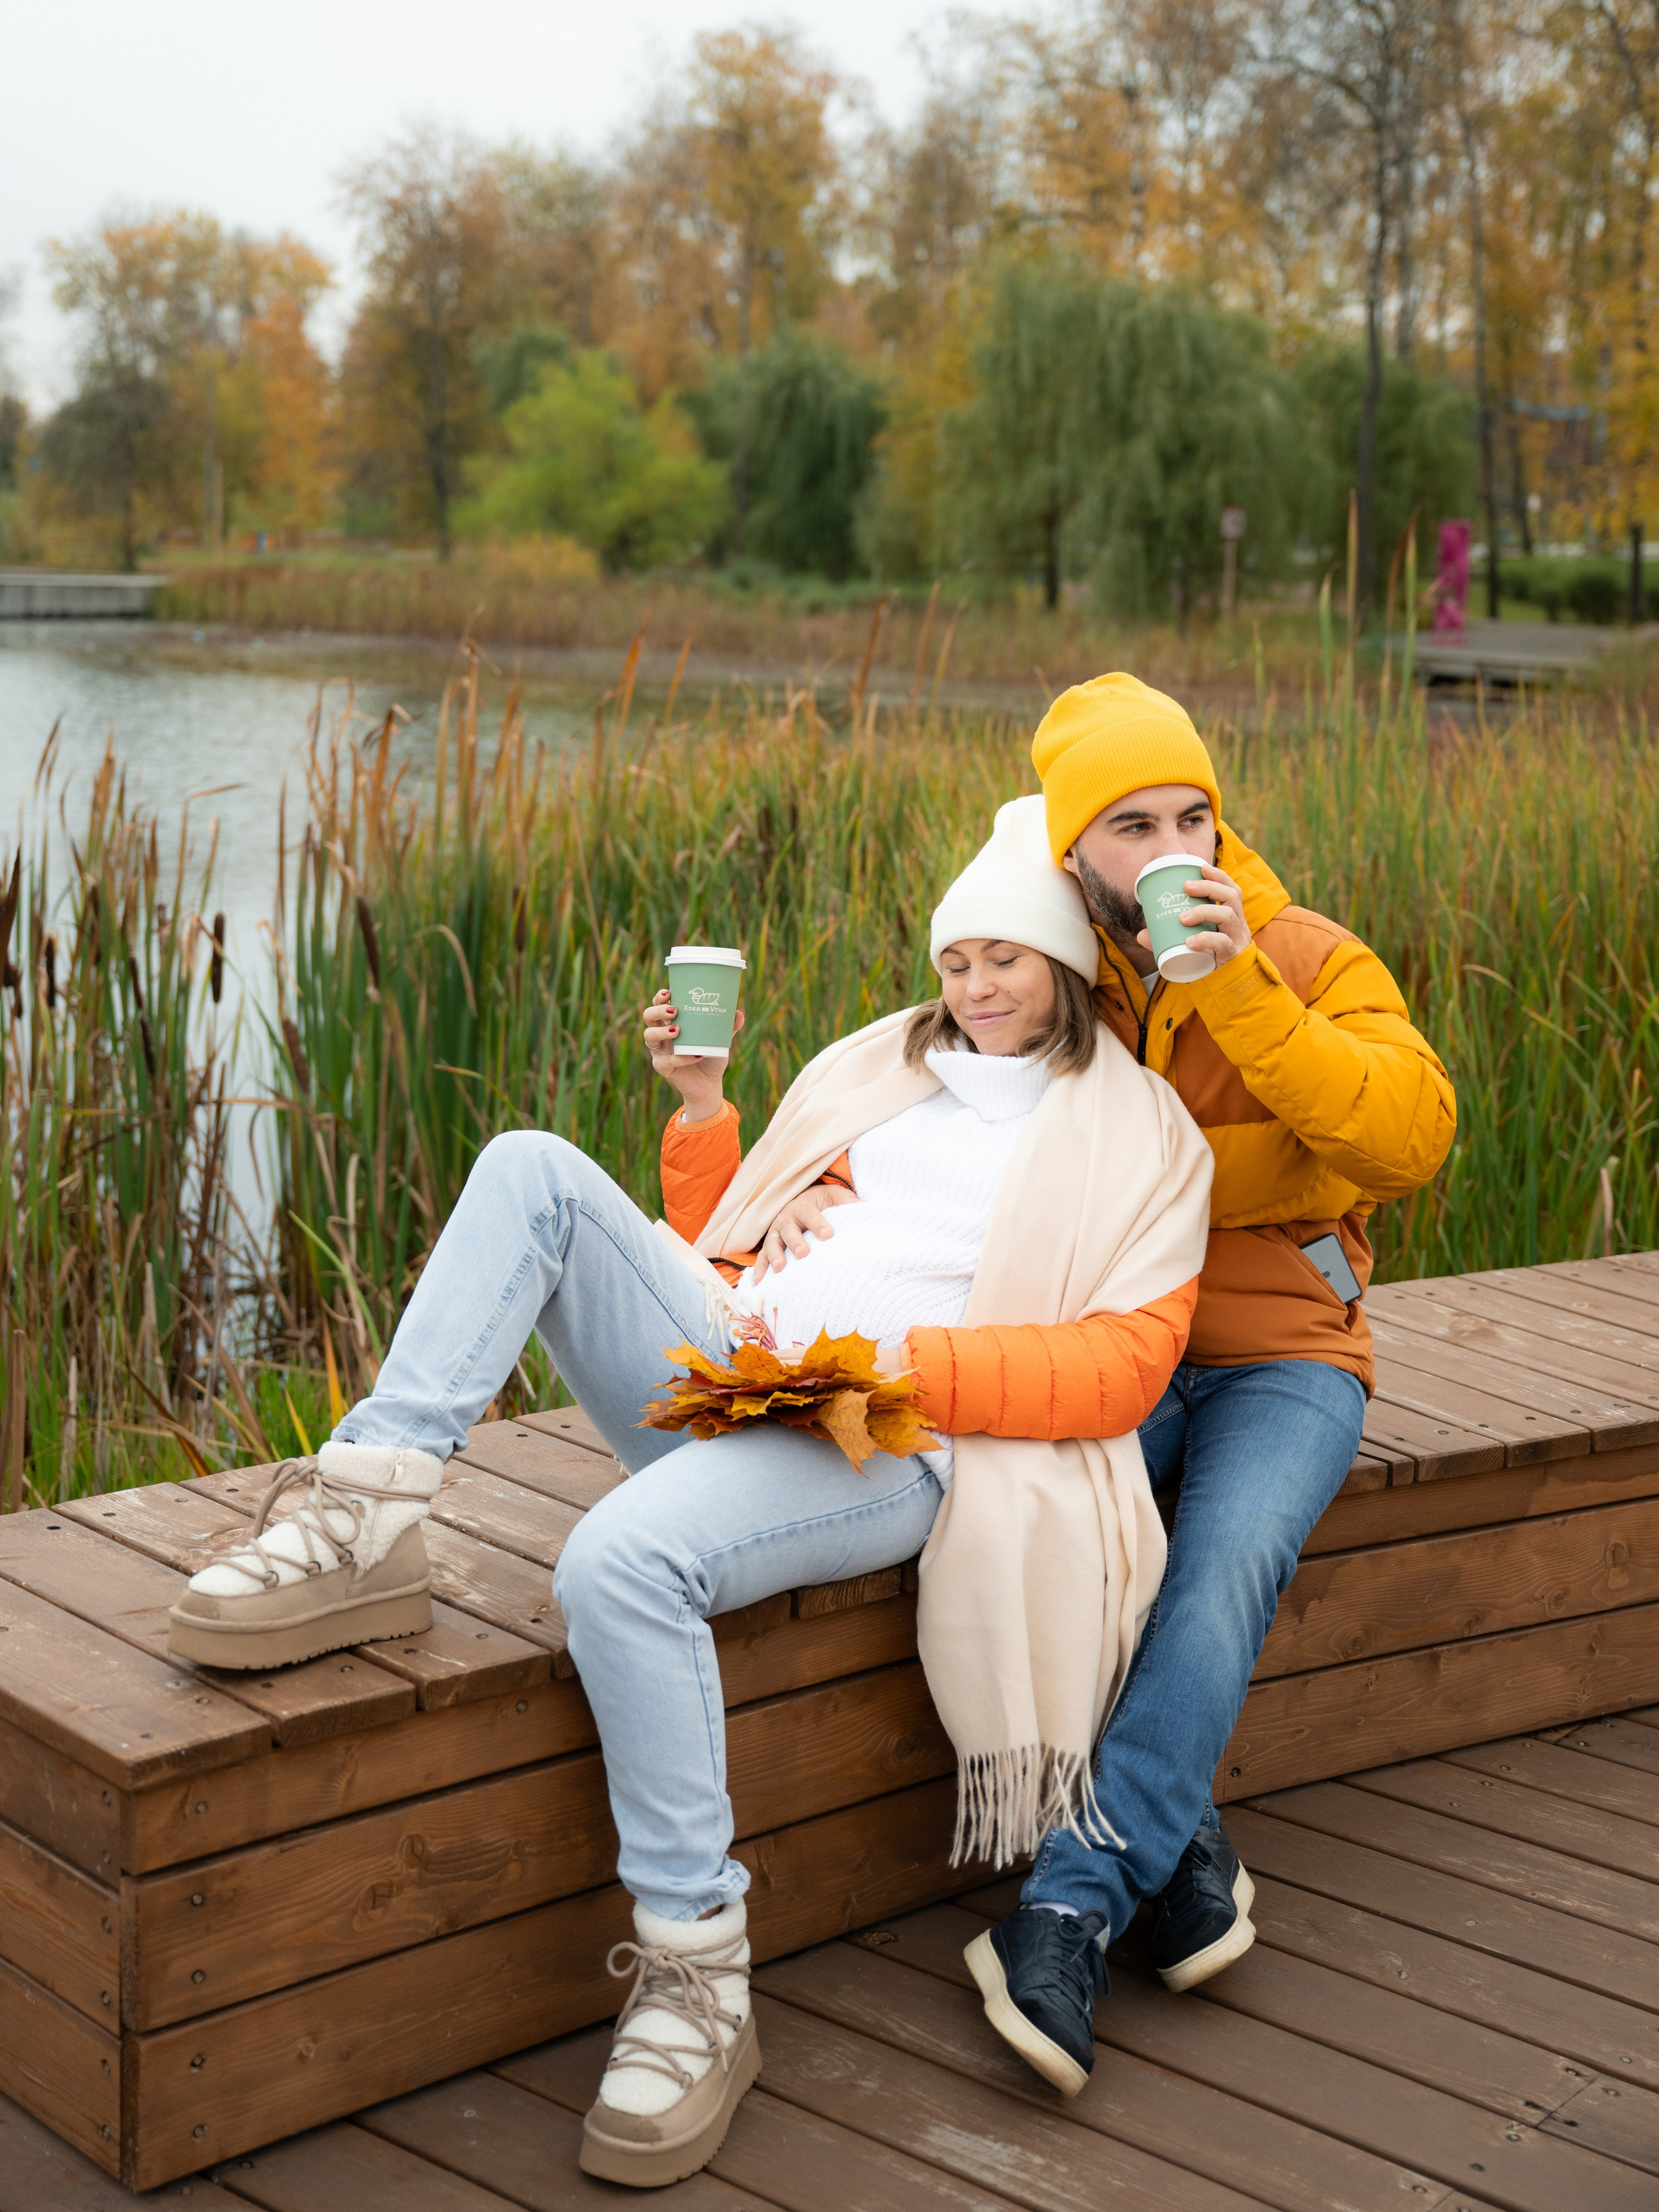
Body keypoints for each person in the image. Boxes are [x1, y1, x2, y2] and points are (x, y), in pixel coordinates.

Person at [165, 797, 1213, 2187]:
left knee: (616, 1564)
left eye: (1003, 959)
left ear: (1069, 963)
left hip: (884, 1438)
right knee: (531, 1166)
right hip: (741, 1372)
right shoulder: (880, 1071)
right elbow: (724, 1247)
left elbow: (1121, 1370)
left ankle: (695, 1976)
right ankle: (369, 1502)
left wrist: (897, 1362)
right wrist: (708, 1119)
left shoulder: (1134, 1130)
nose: (971, 987)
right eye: (953, 959)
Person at [767, 673, 1457, 2100]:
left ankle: (1072, 1896)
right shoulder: (1056, 967)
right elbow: (926, 1105)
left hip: (1281, 1356)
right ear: (1071, 849)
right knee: (1020, 1512)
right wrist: (789, 1188)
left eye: (1190, 815)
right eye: (1128, 824)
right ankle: (1183, 1858)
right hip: (1106, 1344)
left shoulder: (1304, 954)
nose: (1166, 850)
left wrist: (1239, 995)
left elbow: (1403, 1139)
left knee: (1220, 1572)